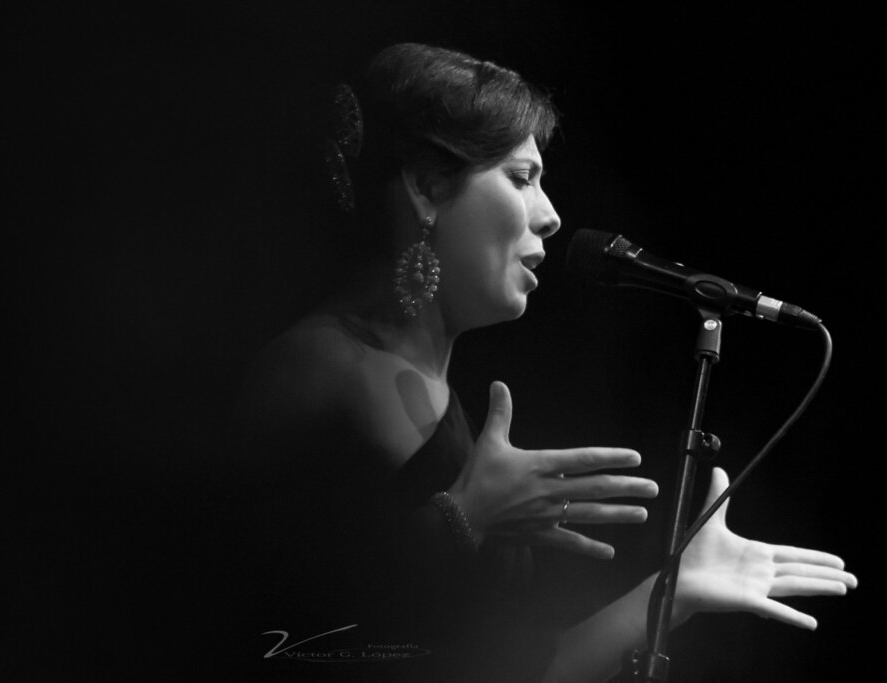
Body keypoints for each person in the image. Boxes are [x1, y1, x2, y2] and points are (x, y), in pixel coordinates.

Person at [232, 43, 857, 682]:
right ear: (425, 187)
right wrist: (463, 517)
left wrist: (672, 592)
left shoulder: (434, 392)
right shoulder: (314, 368)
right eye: (521, 177)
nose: (552, 217)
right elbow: (254, 629)